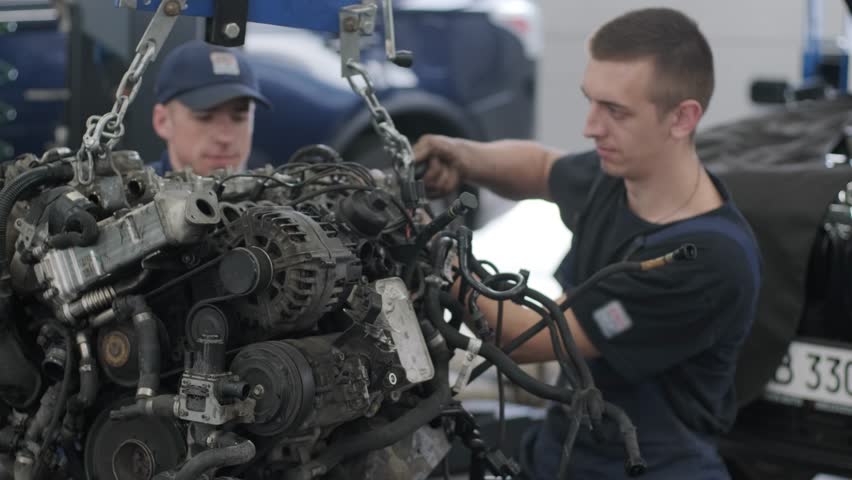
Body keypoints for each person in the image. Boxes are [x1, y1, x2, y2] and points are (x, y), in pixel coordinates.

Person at [413, 8, 761, 480]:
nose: (590, 126)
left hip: (650, 462)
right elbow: (540, 168)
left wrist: (440, 263)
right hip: (569, 439)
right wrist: (461, 155)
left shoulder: (705, 259)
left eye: (615, 110)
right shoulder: (620, 178)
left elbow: (527, 336)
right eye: (590, 102)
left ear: (682, 118)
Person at [150, 40, 270, 176]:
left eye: (239, 118)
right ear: (162, 121)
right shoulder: (128, 195)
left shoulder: (277, 192)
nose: (225, 138)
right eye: (204, 117)